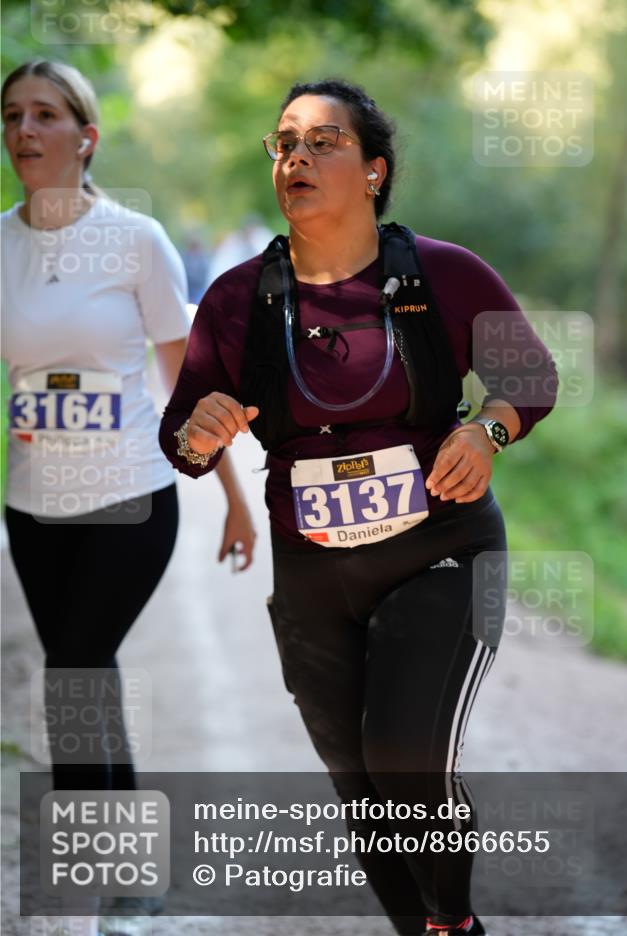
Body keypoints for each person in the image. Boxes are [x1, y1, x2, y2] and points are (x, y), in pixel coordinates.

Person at [159, 78, 559, 936]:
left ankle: (453, 923)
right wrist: (200, 432)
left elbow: (530, 378)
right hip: (312, 576)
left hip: (439, 549)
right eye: (283, 143)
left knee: (402, 758)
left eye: (321, 141)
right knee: (359, 788)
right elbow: (181, 440)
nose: (295, 157)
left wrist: (487, 431)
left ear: (373, 170)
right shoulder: (237, 300)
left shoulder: (444, 274)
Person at [1, 59, 256, 936]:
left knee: (71, 674)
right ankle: (132, 875)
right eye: (11, 117)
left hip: (132, 496)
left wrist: (231, 492)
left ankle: (84, 885)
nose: (24, 133)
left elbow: (184, 378)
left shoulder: (136, 239)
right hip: (33, 505)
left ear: (86, 136)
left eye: (44, 116)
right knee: (89, 676)